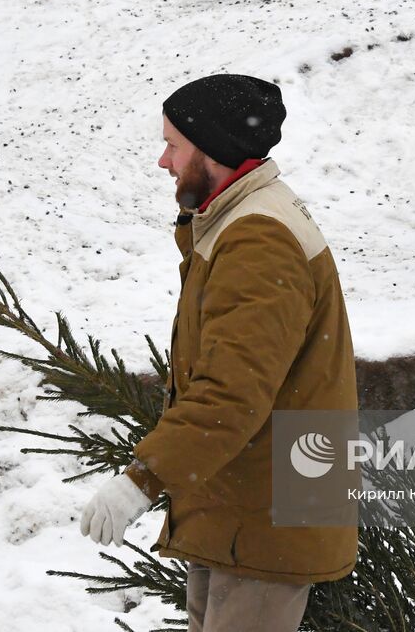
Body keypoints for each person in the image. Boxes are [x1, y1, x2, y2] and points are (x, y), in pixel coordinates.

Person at [80, 73, 358, 632]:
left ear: (213, 151)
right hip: (245, 500)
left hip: (268, 511)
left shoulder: (258, 238)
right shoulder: (239, 217)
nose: (163, 161)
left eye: (174, 146)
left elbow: (232, 392)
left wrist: (141, 481)